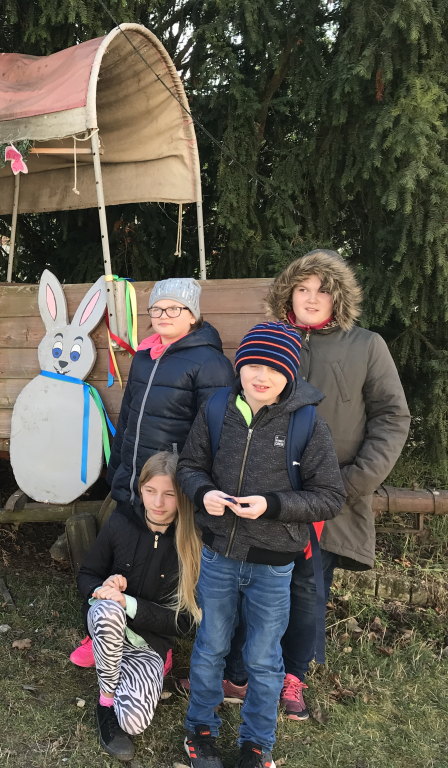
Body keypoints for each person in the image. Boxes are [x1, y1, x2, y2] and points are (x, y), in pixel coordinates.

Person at [217, 249, 410, 720]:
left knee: (306, 589)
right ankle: (238, 675)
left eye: (322, 290)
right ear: (288, 292)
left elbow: (392, 417)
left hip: (329, 496)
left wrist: (351, 484)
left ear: (338, 297)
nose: (311, 297)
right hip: (264, 492)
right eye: (302, 288)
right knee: (249, 583)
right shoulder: (268, 338)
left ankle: (292, 677)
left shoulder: (366, 345)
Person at [177, 322, 346, 768]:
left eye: (274, 368)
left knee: (263, 658)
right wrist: (202, 492)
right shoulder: (217, 408)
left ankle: (256, 744)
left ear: (289, 374)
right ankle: (200, 730)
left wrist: (272, 505)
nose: (261, 375)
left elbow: (330, 497)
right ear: (240, 366)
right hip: (218, 555)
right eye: (253, 364)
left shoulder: (307, 423)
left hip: (273, 565)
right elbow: (190, 465)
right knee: (211, 645)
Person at [73, 278, 234, 667]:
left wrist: (197, 483)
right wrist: (118, 469)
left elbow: (216, 430)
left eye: (173, 308)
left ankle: (156, 641)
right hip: (135, 479)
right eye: (157, 309)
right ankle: (104, 629)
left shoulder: (209, 363)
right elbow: (128, 417)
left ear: (192, 315)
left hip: (174, 484)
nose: (163, 315)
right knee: (126, 554)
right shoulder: (145, 356)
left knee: (162, 566)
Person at [77, 452, 201, 762]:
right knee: (109, 611)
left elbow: (186, 622)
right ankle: (105, 702)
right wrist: (103, 588)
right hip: (109, 624)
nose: (157, 502)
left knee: (134, 723)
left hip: (148, 643)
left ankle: (116, 666)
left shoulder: (191, 541)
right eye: (150, 491)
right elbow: (87, 574)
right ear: (140, 488)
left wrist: (129, 602)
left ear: (182, 496)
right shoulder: (121, 521)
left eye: (169, 494)